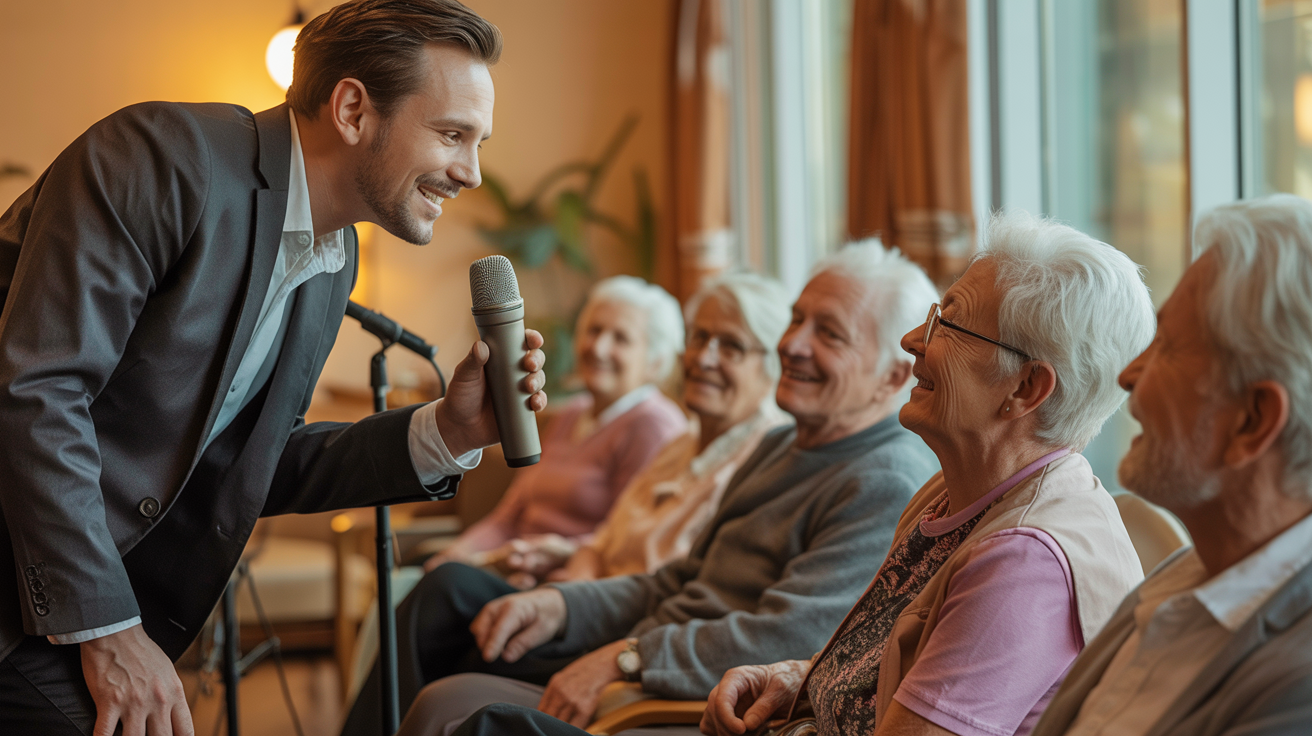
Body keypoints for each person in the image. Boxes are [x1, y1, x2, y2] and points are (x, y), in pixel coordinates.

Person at [0, 2, 547, 735]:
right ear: (353, 108)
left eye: (477, 143)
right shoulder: (161, 158)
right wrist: (106, 627)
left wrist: (445, 431)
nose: (471, 173)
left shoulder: (333, 260)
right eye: (452, 135)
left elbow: (250, 461)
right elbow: (38, 391)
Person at [339, 242, 941, 736]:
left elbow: (790, 639)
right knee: (451, 604)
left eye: (829, 333)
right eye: (796, 320)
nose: (792, 344)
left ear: (894, 374)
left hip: (680, 688)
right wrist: (562, 604)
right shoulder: (784, 445)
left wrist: (630, 657)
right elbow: (676, 579)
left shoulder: (882, 479)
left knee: (460, 692)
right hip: (651, 644)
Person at [693, 211, 1155, 736]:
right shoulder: (955, 491)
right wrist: (796, 678)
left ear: (1025, 388)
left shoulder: (1025, 563)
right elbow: (892, 673)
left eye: (948, 324)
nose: (913, 339)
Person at [1029, 195, 1312, 735]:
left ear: (1252, 421)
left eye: (1167, 346)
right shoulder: (1187, 576)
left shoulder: (1300, 687)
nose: (1130, 374)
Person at [518, 273, 793, 587]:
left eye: (731, 346)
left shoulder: (767, 460)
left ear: (775, 363)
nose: (704, 358)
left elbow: (676, 590)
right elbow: (601, 544)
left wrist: (570, 604)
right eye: (699, 338)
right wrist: (570, 595)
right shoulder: (680, 445)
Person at [424, 276, 689, 582]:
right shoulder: (571, 414)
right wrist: (460, 552)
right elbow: (511, 514)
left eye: (621, 338)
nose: (599, 348)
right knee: (433, 568)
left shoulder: (654, 426)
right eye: (594, 330)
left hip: (564, 584)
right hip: (508, 569)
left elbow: (623, 539)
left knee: (445, 585)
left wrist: (536, 563)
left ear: (655, 361)